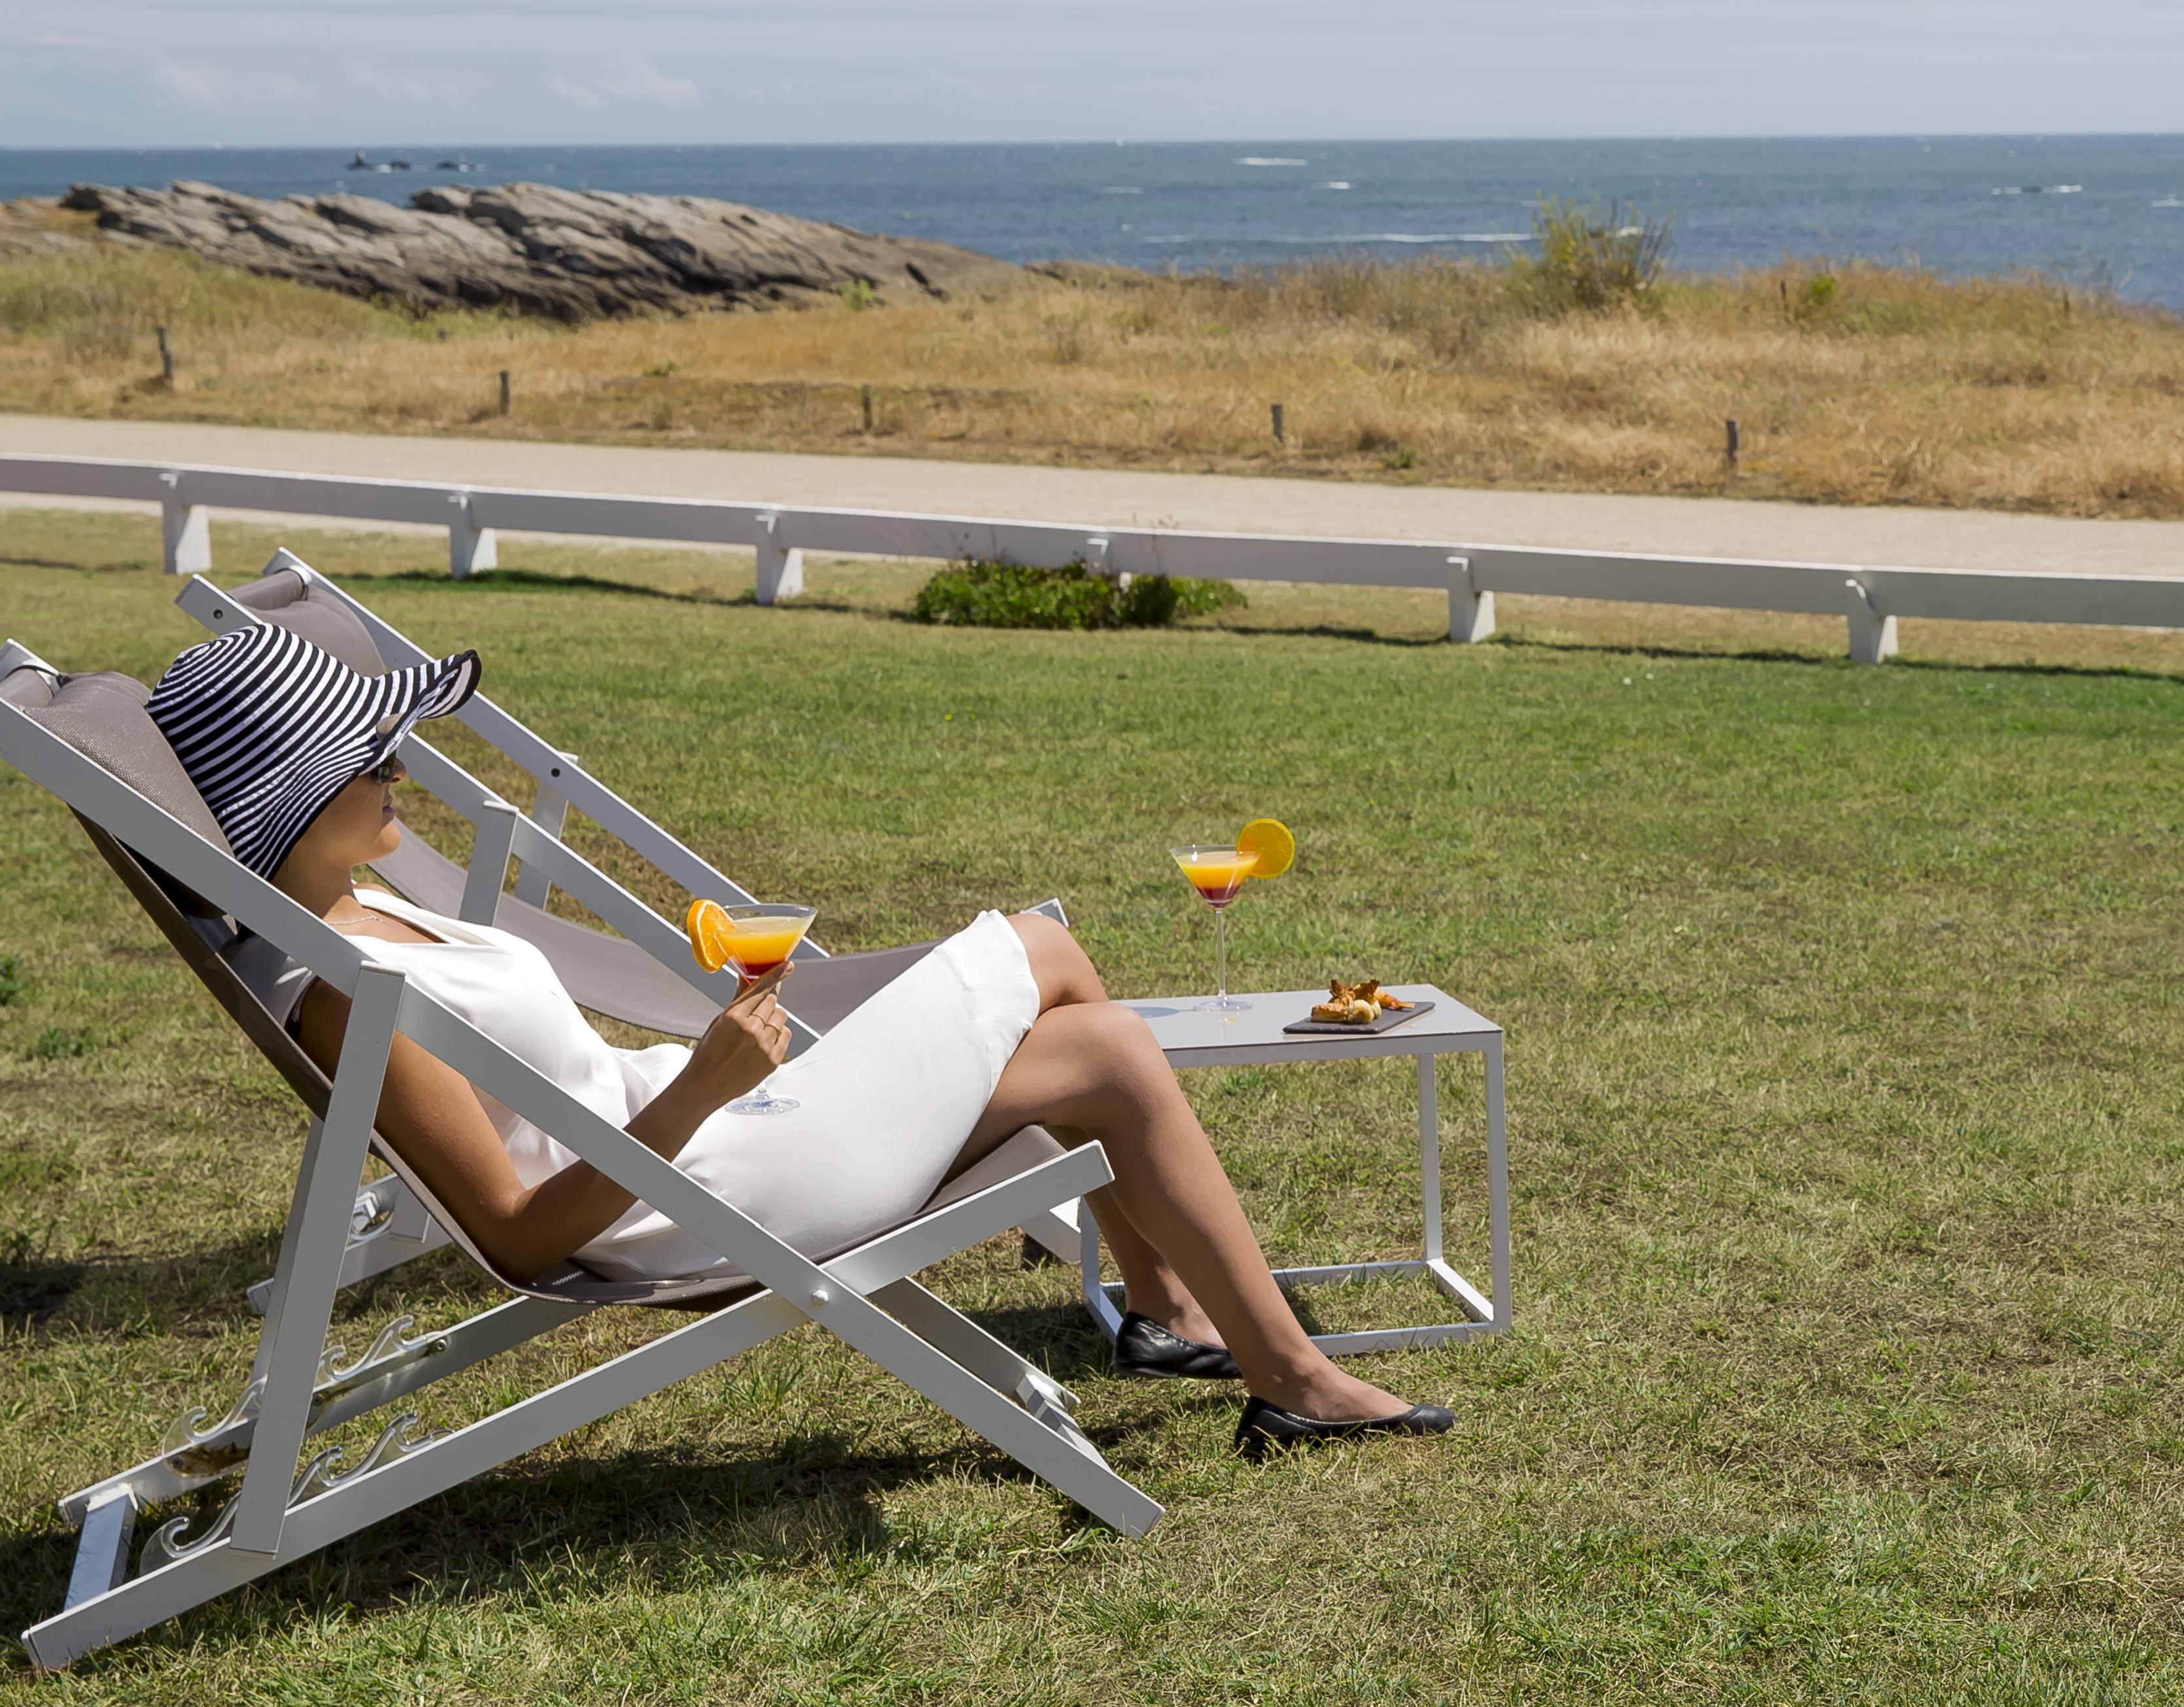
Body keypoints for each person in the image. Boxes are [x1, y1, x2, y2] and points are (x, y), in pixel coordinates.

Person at [146, 617, 1446, 1460]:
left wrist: (694, 1087)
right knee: (1097, 1043)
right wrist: (701, 1092)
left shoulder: (360, 909)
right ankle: (1289, 1375)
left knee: (1054, 972)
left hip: (706, 1129)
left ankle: (1173, 1309)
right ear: (299, 797)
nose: (401, 769)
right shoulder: (342, 989)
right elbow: (518, 1235)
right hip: (693, 1189)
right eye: (371, 757)